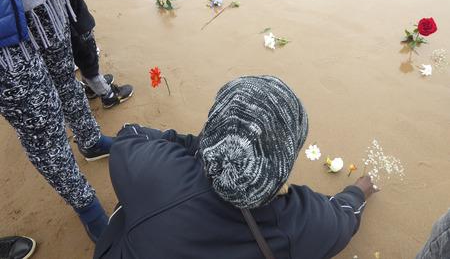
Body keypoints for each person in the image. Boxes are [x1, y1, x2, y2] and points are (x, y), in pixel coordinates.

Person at [94, 76, 378, 259]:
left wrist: (201, 148)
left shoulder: (155, 170)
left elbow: (129, 135)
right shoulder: (299, 222)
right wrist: (360, 190)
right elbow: (343, 219)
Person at [0, 0, 129, 243]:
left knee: (66, 82)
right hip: (3, 36)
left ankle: (90, 140)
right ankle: (85, 205)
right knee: (41, 126)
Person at [63, 0, 134, 109]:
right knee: (88, 60)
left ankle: (91, 88)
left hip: (69, 15)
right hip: (74, 20)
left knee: (83, 57)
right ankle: (108, 95)